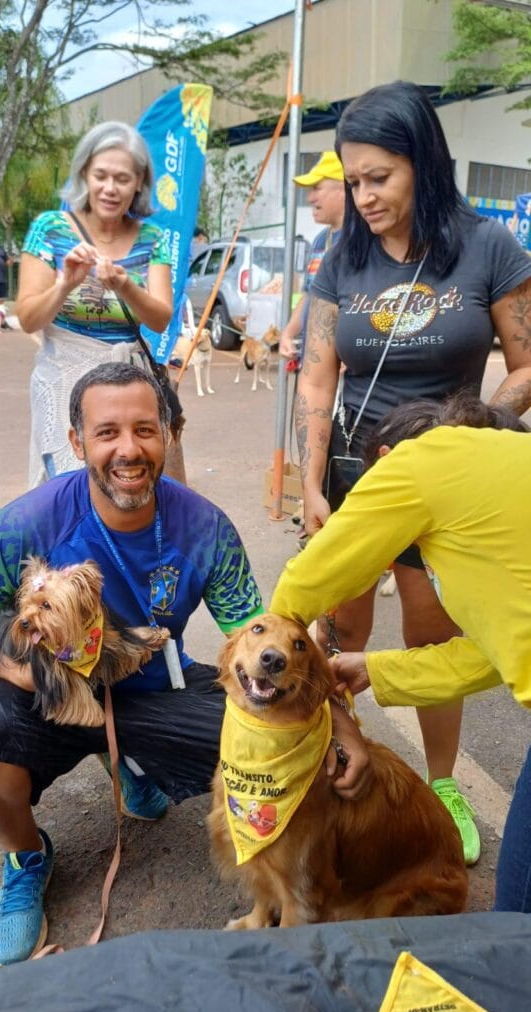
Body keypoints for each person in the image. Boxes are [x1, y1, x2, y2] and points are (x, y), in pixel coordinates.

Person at [0, 363, 361, 967]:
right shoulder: (26, 521)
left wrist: (341, 725)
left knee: (284, 755)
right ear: (77, 442)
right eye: (107, 432)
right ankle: (26, 856)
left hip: (153, 687)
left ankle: (128, 757)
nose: (128, 449)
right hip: (46, 691)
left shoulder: (205, 528)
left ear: (168, 433)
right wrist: (34, 675)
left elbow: (262, 644)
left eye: (145, 430)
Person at [295, 79, 531, 865]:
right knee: (343, 629)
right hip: (361, 469)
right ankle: (346, 762)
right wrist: (308, 483)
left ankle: (444, 784)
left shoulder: (486, 245)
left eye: (378, 177)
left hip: (453, 483)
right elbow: (318, 381)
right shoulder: (342, 258)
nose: (362, 195)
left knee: (436, 634)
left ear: (424, 163)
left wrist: (480, 428)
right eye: (352, 179)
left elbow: (528, 363)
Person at [270, 393, 531, 912]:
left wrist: (282, 657)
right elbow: (492, 655)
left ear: (385, 461)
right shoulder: (503, 482)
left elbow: (301, 590)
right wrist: (375, 670)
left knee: (516, 928)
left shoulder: (418, 462)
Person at [15, 120, 180, 489]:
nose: (110, 188)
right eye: (100, 175)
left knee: (127, 478)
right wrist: (64, 284)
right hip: (62, 377)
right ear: (84, 175)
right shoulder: (51, 228)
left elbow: (160, 318)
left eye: (122, 178)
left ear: (139, 182)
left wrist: (125, 287)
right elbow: (27, 318)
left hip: (129, 382)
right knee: (70, 483)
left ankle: (122, 548)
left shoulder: (152, 238)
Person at [278, 151, 345, 365]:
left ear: (343, 189)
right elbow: (310, 293)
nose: (309, 198)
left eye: (317, 188)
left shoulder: (367, 242)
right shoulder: (319, 241)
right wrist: (288, 333)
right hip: (314, 361)